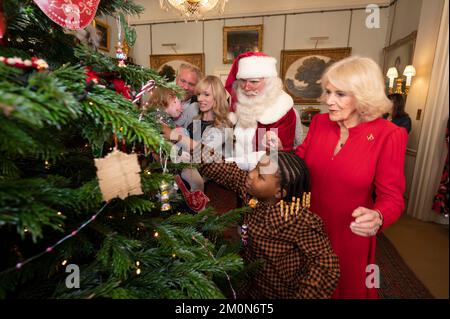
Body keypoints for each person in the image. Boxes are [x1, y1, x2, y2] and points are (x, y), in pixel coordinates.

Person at [295, 56, 407, 299]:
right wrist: (274, 155)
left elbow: (393, 198)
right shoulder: (320, 123)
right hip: (309, 228)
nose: (328, 101)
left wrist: (378, 216)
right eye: (327, 92)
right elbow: (298, 164)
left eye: (340, 94)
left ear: (363, 95)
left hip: (350, 234)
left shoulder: (388, 135)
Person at [197, 149, 340, 298]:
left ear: (279, 193)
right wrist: (183, 143)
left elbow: (326, 264)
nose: (251, 175)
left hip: (278, 292)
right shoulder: (251, 193)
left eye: (260, 176)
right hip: (249, 284)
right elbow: (224, 169)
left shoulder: (298, 220)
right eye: (255, 167)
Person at [224, 52, 301, 170]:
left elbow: (280, 159)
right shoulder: (237, 105)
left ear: (269, 83)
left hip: (264, 176)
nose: (246, 87)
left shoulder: (282, 111)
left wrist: (277, 149)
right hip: (235, 173)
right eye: (243, 80)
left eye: (254, 81)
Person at [162, 75, 234, 192]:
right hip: (177, 161)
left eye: (206, 94)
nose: (200, 98)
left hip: (197, 172)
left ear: (217, 97)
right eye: (199, 94)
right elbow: (176, 122)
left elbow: (200, 154)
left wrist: (173, 135)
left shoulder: (223, 127)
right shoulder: (194, 108)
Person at [173, 63, 202, 129]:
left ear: (197, 87)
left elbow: (196, 136)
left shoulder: (199, 107)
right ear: (177, 80)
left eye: (191, 84)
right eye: (183, 81)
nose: (186, 87)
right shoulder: (163, 99)